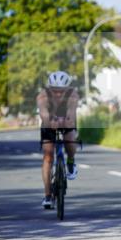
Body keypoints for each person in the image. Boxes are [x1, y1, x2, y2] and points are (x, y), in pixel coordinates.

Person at [37, 71, 79, 209]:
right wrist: (50, 122)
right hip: (49, 122)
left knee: (70, 143)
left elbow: (71, 113)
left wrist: (66, 122)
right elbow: (44, 114)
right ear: (49, 88)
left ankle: (71, 162)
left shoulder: (73, 95)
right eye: (55, 90)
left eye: (61, 91)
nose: (58, 94)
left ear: (67, 88)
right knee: (48, 156)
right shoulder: (42, 96)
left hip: (67, 121)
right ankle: (48, 195)